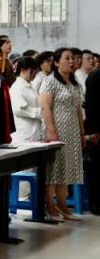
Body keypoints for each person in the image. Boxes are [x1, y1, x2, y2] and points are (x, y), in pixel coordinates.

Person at [39, 48, 85, 222]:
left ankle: (62, 204)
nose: (71, 61)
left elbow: (78, 109)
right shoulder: (49, 81)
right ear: (57, 62)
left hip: (72, 131)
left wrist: (81, 131)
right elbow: (45, 107)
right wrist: (51, 131)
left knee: (67, 167)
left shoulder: (74, 83)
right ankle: (50, 206)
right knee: (54, 168)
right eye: (67, 58)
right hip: (56, 129)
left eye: (73, 58)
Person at [10, 56, 43, 144]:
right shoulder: (17, 87)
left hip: (34, 132)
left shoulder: (30, 85)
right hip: (24, 134)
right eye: (33, 70)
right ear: (23, 70)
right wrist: (40, 112)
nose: (35, 73)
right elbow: (19, 109)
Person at [85, 67, 100, 215]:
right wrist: (93, 132)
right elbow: (90, 106)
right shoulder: (95, 77)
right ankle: (96, 204)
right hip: (97, 131)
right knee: (96, 169)